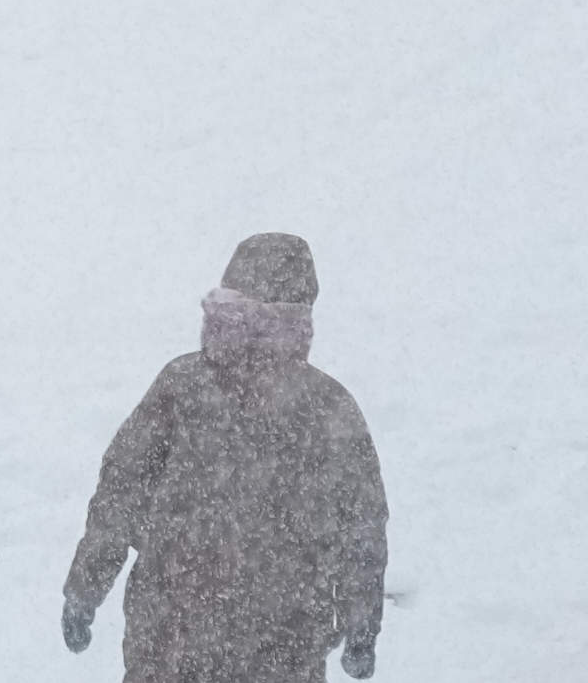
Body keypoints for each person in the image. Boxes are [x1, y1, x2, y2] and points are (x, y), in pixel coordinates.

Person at [62, 233, 387, 682]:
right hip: (281, 645)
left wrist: (86, 587)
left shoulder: (182, 384)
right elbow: (361, 527)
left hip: (170, 638)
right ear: (304, 310)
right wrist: (361, 628)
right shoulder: (328, 406)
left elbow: (121, 490)